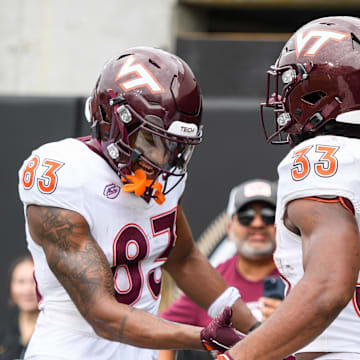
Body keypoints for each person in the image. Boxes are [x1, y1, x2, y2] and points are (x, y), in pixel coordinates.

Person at [17, 46, 259, 360]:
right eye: (152, 141)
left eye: (175, 147)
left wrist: (255, 331)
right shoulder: (65, 175)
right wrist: (203, 337)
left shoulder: (162, 176)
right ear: (113, 120)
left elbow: (184, 260)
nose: (164, 160)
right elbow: (102, 314)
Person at [205, 16, 360, 360]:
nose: (283, 98)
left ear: (321, 90)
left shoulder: (323, 157)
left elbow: (327, 289)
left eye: (292, 83)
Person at [158, 179, 284, 360]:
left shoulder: (299, 274)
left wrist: (293, 323)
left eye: (268, 215)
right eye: (246, 216)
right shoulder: (211, 280)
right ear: (229, 228)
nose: (257, 224)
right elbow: (165, 331)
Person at [0, 254, 39, 360]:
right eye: (21, 282)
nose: (27, 290)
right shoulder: (3, 334)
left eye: (34, 281)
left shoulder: (54, 332)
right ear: (10, 287)